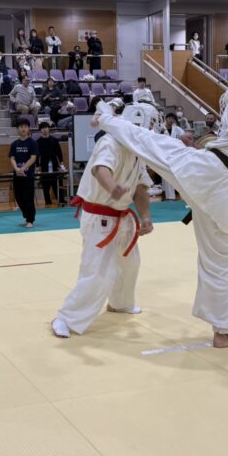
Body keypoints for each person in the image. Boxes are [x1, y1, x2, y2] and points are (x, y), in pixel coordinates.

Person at [94, 77, 228, 347]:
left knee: (150, 142)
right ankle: (223, 332)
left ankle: (104, 117)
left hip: (208, 173)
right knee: (221, 264)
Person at [50, 104, 156, 338]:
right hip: (100, 217)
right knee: (97, 272)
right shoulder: (111, 142)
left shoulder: (137, 150)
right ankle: (66, 318)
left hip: (122, 216)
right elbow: (101, 170)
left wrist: (145, 217)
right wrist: (113, 188)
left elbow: (140, 187)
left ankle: (120, 303)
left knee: (130, 264)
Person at [9, 118, 39, 228]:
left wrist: (23, 168)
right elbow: (12, 158)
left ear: (28, 129)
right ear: (17, 129)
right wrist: (16, 169)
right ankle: (26, 216)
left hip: (28, 175)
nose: (23, 129)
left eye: (25, 127)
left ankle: (30, 219)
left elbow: (33, 158)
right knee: (19, 197)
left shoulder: (33, 143)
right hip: (17, 175)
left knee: (28, 197)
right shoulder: (14, 144)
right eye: (21, 127)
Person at [37, 121, 65, 206]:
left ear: (49, 129)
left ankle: (61, 200)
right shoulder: (38, 142)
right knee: (45, 186)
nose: (44, 130)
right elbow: (37, 155)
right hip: (44, 166)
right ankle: (48, 202)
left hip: (55, 165)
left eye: (46, 127)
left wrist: (61, 163)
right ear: (40, 130)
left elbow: (59, 152)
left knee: (57, 183)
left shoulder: (54, 140)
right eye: (42, 128)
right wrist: (37, 166)